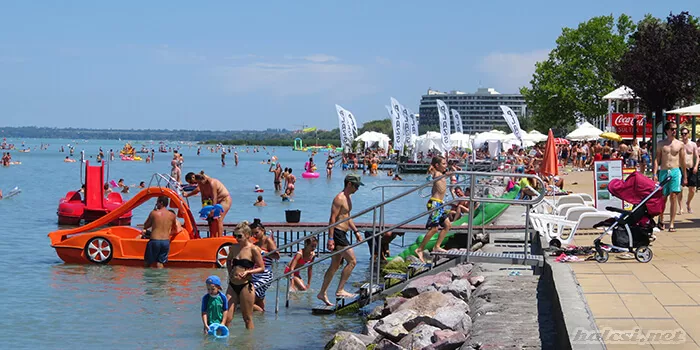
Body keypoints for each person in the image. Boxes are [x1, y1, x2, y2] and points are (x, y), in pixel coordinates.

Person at [317, 174, 364, 306]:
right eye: (356, 186)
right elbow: (332, 219)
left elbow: (347, 217)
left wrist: (356, 232)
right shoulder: (339, 198)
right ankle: (340, 290)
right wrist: (330, 238)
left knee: (335, 265)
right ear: (349, 184)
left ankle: (322, 293)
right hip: (337, 233)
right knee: (352, 261)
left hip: (343, 232)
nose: (357, 189)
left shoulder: (348, 198)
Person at [224, 222, 265, 330]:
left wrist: (248, 272)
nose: (237, 238)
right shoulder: (234, 248)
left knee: (247, 318)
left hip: (246, 286)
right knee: (226, 317)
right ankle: (223, 343)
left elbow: (262, 268)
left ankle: (248, 343)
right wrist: (230, 272)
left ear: (247, 235)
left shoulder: (253, 249)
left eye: (239, 236)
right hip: (232, 285)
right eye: (235, 235)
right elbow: (228, 261)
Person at [415, 156, 451, 263]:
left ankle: (437, 246)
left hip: (440, 204)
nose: (446, 166)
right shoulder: (437, 173)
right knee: (434, 228)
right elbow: (435, 175)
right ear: (437, 165)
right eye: (444, 164)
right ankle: (419, 249)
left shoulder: (441, 174)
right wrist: (444, 174)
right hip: (435, 203)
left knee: (447, 225)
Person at [654, 122, 687, 232]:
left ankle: (672, 223)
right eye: (672, 129)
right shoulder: (661, 143)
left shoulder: (680, 144)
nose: (674, 131)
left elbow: (682, 161)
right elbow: (657, 159)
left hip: (675, 171)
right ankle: (661, 218)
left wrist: (685, 176)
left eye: (675, 129)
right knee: (663, 197)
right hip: (664, 171)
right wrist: (654, 174)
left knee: (673, 196)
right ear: (667, 130)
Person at [183, 171, 232, 238]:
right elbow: (203, 197)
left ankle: (220, 237)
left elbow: (214, 197)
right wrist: (205, 210)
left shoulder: (212, 183)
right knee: (210, 219)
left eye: (192, 182)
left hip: (224, 200)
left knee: (218, 218)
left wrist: (212, 210)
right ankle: (213, 237)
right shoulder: (200, 183)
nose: (194, 184)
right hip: (215, 202)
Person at [250, 219, 279, 312]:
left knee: (248, 299)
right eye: (253, 233)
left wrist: (262, 252)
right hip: (255, 273)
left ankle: (260, 312)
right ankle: (261, 318)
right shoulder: (255, 243)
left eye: (256, 233)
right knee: (258, 298)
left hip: (265, 274)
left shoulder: (268, 240)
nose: (255, 235)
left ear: (263, 230)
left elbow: (277, 256)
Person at [141, 196, 177, 268]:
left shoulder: (154, 213)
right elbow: (175, 229)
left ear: (161, 203)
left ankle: (147, 279)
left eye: (157, 202)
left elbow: (145, 225)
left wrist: (152, 214)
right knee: (160, 263)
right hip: (165, 242)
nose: (156, 204)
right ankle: (161, 279)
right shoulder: (172, 215)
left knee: (147, 263)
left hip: (155, 240)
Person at [678, 127, 698, 214]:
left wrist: (696, 166)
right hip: (681, 168)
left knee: (692, 189)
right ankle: (681, 207)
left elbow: (697, 157)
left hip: (691, 168)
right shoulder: (679, 144)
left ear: (688, 134)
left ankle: (688, 203)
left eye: (685, 134)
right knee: (679, 188)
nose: (684, 135)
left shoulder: (693, 144)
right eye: (682, 134)